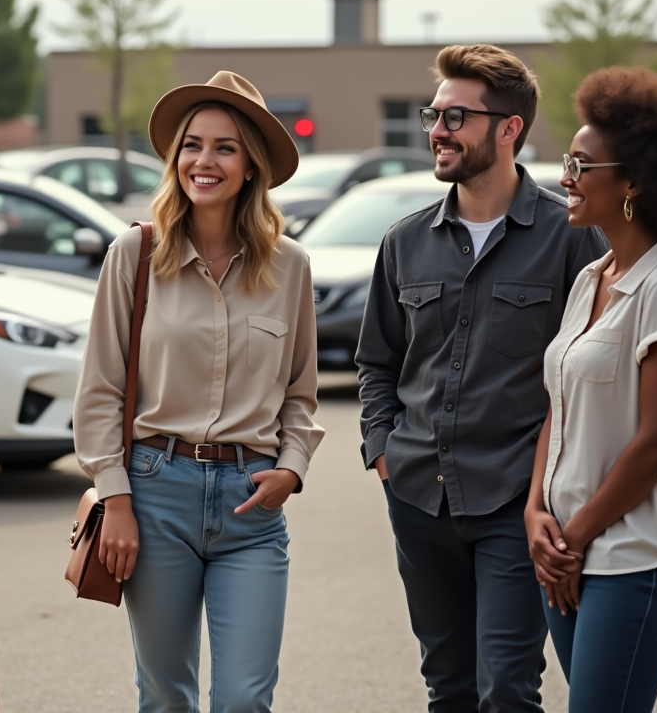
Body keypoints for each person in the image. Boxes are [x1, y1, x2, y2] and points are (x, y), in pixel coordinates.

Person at [355, 44, 608, 712]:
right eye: (433, 115)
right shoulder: (404, 241)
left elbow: (594, 373)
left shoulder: (573, 238)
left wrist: (555, 484)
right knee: (449, 687)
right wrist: (382, 449)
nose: (436, 131)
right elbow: (378, 361)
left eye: (455, 117)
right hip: (417, 497)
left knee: (508, 688)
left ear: (508, 129)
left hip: (515, 505)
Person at [73, 71, 323, 712]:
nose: (202, 161)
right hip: (155, 496)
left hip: (252, 505)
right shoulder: (135, 253)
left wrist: (291, 470)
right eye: (191, 144)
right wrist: (117, 497)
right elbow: (100, 388)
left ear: (251, 167)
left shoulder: (289, 265)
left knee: (244, 700)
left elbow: (300, 392)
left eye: (224, 147)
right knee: (166, 697)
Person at [525, 67, 657, 713]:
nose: (564, 177)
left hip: (634, 556)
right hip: (568, 549)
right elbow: (559, 406)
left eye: (580, 164)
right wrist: (535, 514)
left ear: (633, 182)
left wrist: (575, 538)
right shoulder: (592, 277)